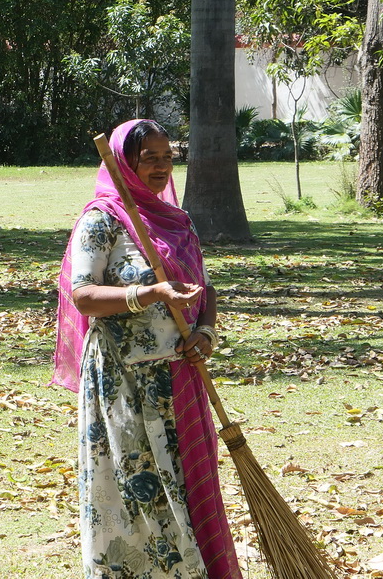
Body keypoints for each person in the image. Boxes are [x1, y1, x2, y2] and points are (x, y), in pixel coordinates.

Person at [52, 119, 242, 579]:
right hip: (125, 382)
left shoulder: (178, 220)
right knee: (134, 491)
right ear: (124, 162)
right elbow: (83, 295)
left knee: (187, 486)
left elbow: (206, 289)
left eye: (168, 157)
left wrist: (206, 334)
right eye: (149, 158)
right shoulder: (101, 220)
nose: (160, 167)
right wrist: (151, 294)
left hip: (180, 378)